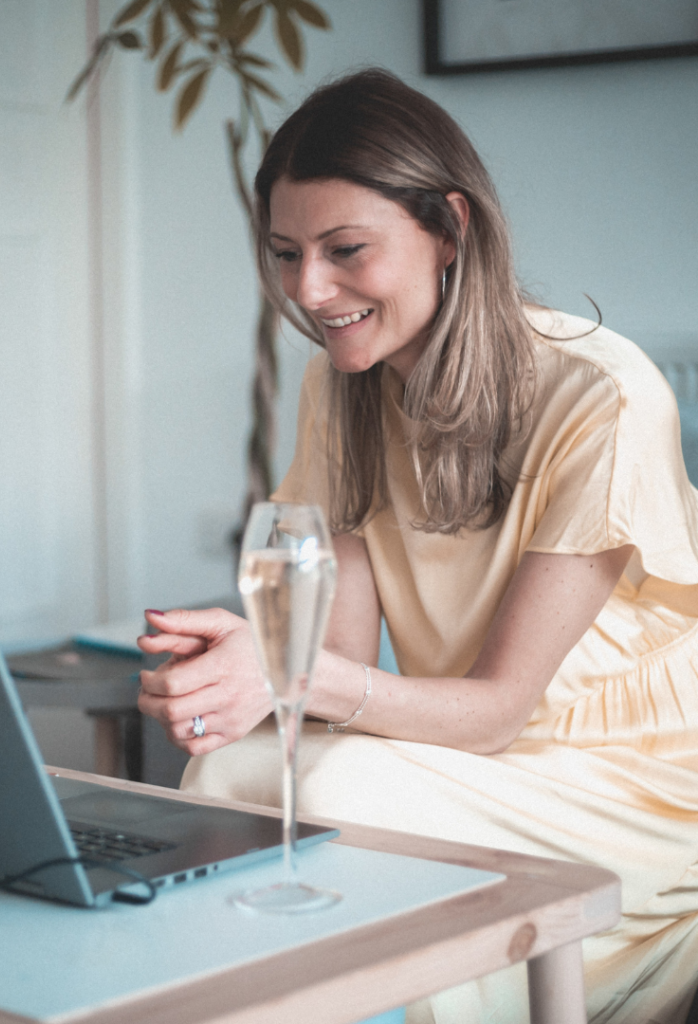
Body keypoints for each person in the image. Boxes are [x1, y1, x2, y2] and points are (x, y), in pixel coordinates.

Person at [137, 69, 698, 1024]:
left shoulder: (600, 397)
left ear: (449, 227)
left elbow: (495, 711)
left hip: (628, 784)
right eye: (284, 254)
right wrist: (245, 676)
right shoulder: (340, 390)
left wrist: (294, 679)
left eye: (345, 249)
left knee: (338, 785)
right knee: (233, 773)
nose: (310, 289)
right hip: (469, 759)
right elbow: (341, 665)